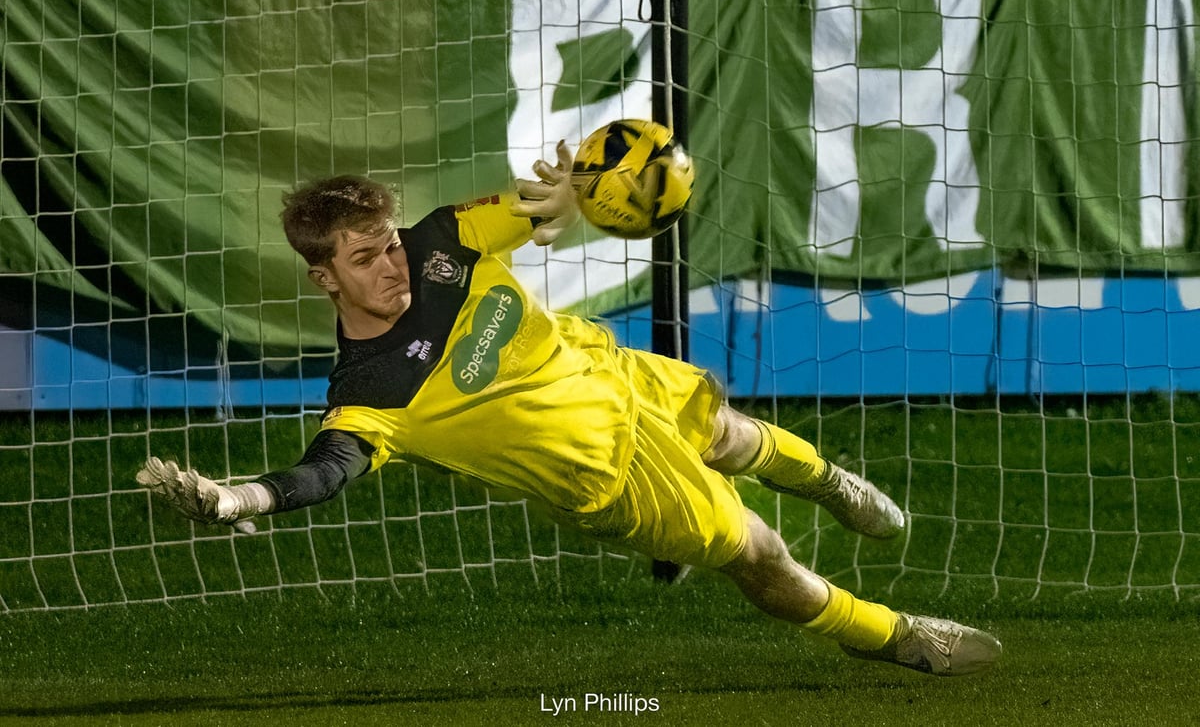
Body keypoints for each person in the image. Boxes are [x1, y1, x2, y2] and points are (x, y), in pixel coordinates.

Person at [137, 140, 1001, 677]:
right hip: (606, 474)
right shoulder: (371, 392)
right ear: (324, 278)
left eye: (391, 245)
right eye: (365, 260)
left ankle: (828, 481)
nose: (392, 267)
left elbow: (529, 209)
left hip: (605, 371)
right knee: (757, 552)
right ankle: (889, 635)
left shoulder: (441, 241)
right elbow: (323, 472)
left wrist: (565, 197)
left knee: (733, 432)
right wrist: (236, 498)